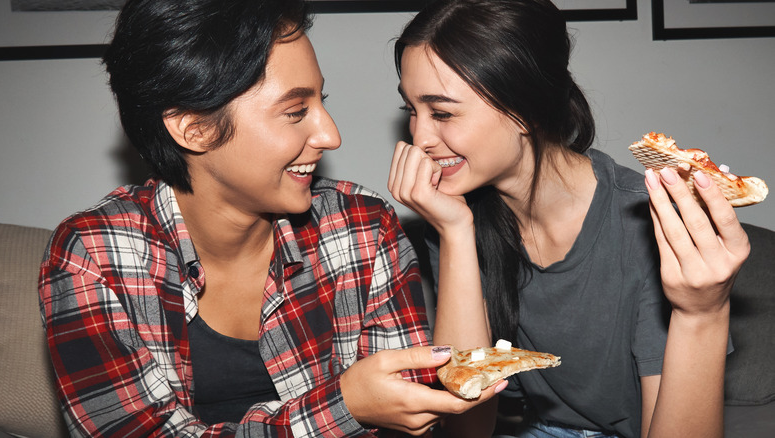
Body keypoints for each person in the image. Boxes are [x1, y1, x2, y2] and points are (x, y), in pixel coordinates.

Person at [37, 0, 501, 436]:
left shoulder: (361, 227)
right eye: (296, 111)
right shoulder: (93, 256)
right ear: (193, 127)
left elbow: (435, 417)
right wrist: (343, 407)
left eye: (322, 101)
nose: (330, 134)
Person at [387, 0, 749, 437]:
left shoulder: (645, 226)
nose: (419, 138)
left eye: (442, 112)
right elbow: (468, 429)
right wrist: (455, 233)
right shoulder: (456, 216)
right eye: (412, 111)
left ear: (525, 110)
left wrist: (702, 313)